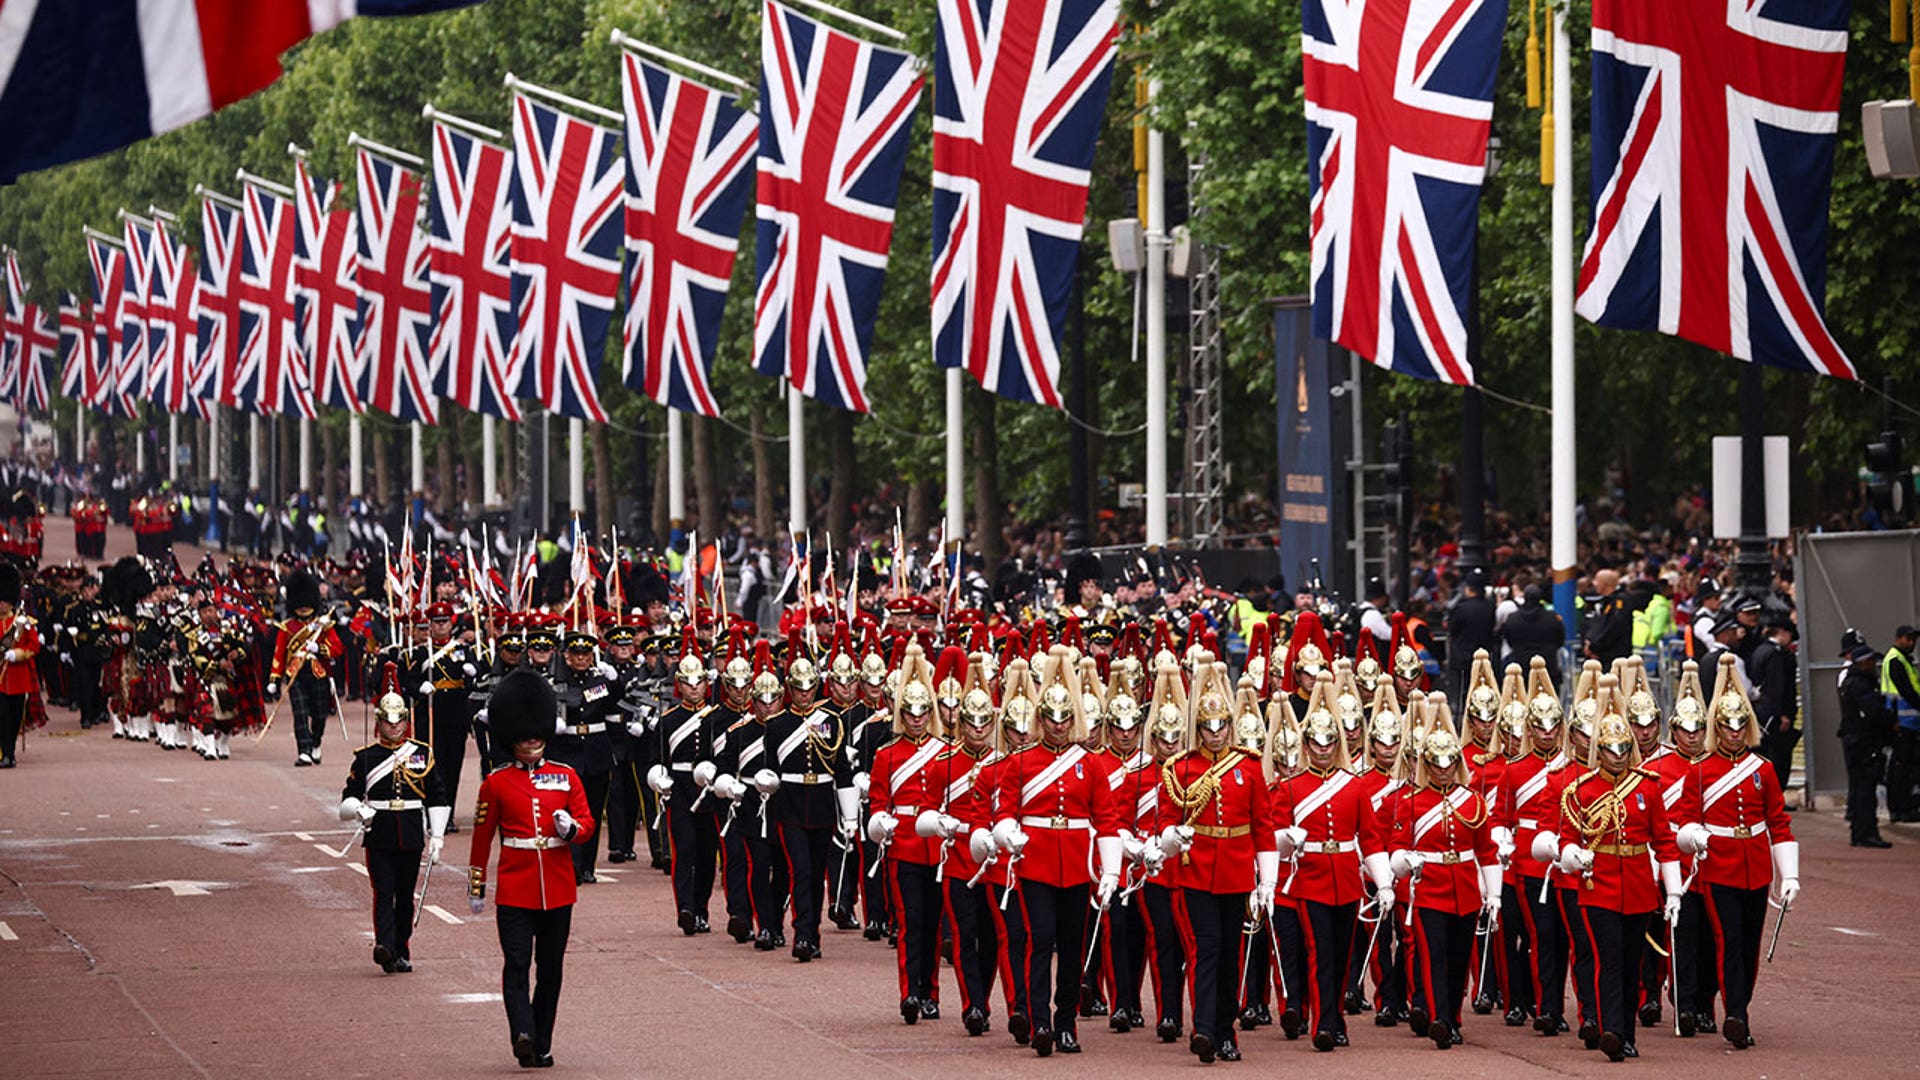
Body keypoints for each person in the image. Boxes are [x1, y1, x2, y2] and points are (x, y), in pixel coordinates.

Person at [993, 646, 1127, 1056]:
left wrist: (1110, 873)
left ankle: (1066, 1021)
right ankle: (1040, 1023)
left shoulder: (1091, 763)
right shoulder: (1020, 762)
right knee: (1041, 941)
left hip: (1076, 865)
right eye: (1050, 718)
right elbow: (1004, 811)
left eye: (1063, 718)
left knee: (1072, 946)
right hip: (1035, 863)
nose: (1056, 725)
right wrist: (1007, 834)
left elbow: (1106, 820)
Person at [1546, 682, 1684, 1062]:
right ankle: (1611, 1030)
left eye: (1625, 749)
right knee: (1608, 958)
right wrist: (1576, 857)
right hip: (1598, 886)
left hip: (1638, 885)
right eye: (1612, 750)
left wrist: (1672, 891)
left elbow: (1664, 842)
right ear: (1599, 751)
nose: (1620, 756)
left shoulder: (1648, 788)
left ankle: (1627, 1033)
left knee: (1631, 961)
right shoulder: (1581, 789)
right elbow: (1566, 839)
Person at [467, 670, 596, 1069]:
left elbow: (587, 823)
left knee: (551, 970)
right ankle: (522, 1033)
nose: (531, 741)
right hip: (516, 888)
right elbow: (481, 838)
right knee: (518, 964)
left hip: (557, 887)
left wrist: (571, 829)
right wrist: (477, 885)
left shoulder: (567, 776)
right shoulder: (496, 783)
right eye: (524, 736)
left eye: (535, 735)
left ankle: (542, 1041)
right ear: (512, 737)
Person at [1678, 654, 1800, 1050]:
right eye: (1727, 727)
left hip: (1756, 867)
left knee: (1749, 945)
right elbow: (1686, 819)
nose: (1733, 733)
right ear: (1717, 728)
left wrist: (1790, 875)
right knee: (1728, 942)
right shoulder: (1699, 769)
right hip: (1718, 867)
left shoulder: (1762, 769)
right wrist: (1695, 837)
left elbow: (1778, 822)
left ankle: (1740, 1005)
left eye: (1739, 726)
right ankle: (1736, 1015)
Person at [338, 664, 450, 974]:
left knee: (405, 895)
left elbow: (436, 796)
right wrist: (358, 810)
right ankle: (385, 946)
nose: (394, 727)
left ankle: (402, 948)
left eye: (399, 720)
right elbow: (347, 797)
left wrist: (437, 836)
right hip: (380, 832)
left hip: (411, 831)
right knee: (383, 890)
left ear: (406, 720)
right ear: (379, 723)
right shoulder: (366, 757)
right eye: (388, 722)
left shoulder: (422, 754)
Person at [1837, 643, 1893, 848]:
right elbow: (1873, 711)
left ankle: (1861, 831)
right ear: (1862, 663)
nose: (1874, 664)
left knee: (1863, 786)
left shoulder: (1855, 681)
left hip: (1857, 739)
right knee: (1865, 788)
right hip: (1863, 740)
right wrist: (1888, 717)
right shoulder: (1860, 684)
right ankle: (1866, 832)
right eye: (1870, 661)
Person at [0, 563, 43, 768]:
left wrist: (16, 654)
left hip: (17, 678)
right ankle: (6, 754)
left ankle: (10, 750)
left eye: (5, 601)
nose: (2, 605)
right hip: (0, 680)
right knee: (2, 718)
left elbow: (33, 645)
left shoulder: (22, 621)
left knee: (15, 717)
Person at [1878, 625, 1920, 821]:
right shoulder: (1895, 660)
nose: (1912, 643)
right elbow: (1907, 691)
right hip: (1902, 722)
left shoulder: (1903, 660)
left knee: (1904, 765)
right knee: (1901, 767)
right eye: (1908, 639)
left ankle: (1904, 806)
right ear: (1898, 638)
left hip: (1908, 721)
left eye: (1913, 640)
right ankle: (1901, 808)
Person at [1501, 585, 1565, 687]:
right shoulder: (1552, 618)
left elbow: (1509, 640)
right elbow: (1560, 640)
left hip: (1521, 668)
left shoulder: (1513, 619)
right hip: (1548, 667)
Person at [1582, 569, 1631, 667]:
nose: (1594, 584)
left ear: (1605, 583)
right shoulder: (1606, 602)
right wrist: (1589, 640)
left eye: (1597, 580)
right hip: (1601, 657)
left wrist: (1594, 646)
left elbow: (1613, 628)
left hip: (1613, 659)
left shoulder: (1620, 601)